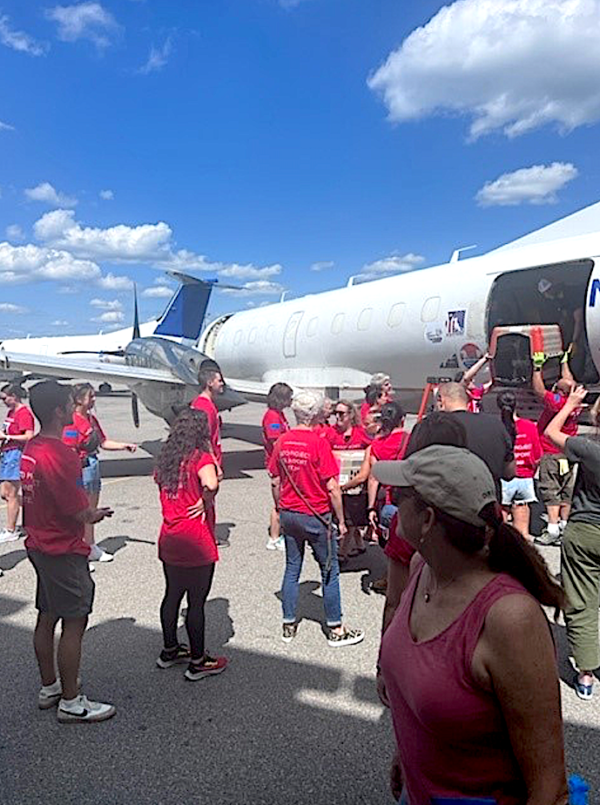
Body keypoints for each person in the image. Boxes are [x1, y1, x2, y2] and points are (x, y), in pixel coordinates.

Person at [375, 446, 567, 805]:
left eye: (401, 496)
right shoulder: (421, 569)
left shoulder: (510, 619)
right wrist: (410, 753)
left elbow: (550, 789)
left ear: (428, 519)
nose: (393, 504)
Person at [21, 381, 115, 723]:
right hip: (61, 548)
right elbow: (77, 512)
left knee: (47, 616)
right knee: (74, 621)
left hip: (38, 543)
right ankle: (72, 702)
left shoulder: (32, 448)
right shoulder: (60, 454)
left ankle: (50, 687)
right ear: (60, 411)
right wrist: (96, 514)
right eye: (68, 404)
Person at [268, 390, 364, 647]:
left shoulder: (283, 440)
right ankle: (336, 628)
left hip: (290, 513)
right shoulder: (319, 443)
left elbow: (275, 480)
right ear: (314, 415)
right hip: (315, 514)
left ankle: (288, 623)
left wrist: (279, 506)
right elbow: (332, 487)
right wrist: (342, 520)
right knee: (329, 571)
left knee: (291, 568)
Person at [380, 412, 468, 641]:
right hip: (465, 629)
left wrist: (384, 660)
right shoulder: (477, 505)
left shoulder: (410, 517)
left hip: (421, 631)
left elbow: (394, 600)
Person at [154, 408, 227, 681]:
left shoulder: (167, 460)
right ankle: (198, 661)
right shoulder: (200, 457)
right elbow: (212, 481)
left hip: (170, 534)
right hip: (194, 537)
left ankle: (170, 648)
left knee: (172, 593)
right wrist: (206, 499)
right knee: (196, 602)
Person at [545, 385, 600, 699]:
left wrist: (571, 403)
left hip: (586, 528)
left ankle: (586, 674)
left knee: (582, 603)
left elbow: (552, 432)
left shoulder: (590, 449)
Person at [62, 383, 136, 563]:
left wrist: (123, 446)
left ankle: (90, 545)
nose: (94, 399)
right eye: (91, 396)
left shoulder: (91, 419)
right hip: (81, 468)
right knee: (82, 509)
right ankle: (80, 551)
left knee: (91, 508)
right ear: (79, 400)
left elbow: (103, 442)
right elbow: (69, 448)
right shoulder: (72, 422)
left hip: (93, 465)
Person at [532, 352, 579, 545]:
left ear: (560, 393)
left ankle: (551, 529)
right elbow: (569, 382)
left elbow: (539, 391)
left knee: (551, 490)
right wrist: (565, 362)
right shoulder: (574, 403)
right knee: (566, 490)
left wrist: (537, 369)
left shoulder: (558, 403)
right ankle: (564, 525)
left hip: (551, 454)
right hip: (566, 453)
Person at [437, 382, 515, 497]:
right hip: (489, 501)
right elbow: (510, 472)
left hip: (451, 502)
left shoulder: (435, 426)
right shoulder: (496, 425)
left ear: (441, 401)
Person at [327, 400, 371, 560]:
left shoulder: (361, 433)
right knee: (343, 515)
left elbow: (372, 450)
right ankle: (359, 544)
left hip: (355, 485)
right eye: (335, 413)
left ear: (351, 415)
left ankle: (342, 553)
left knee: (351, 517)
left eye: (341, 413)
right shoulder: (330, 433)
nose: (337, 417)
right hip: (336, 483)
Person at [496, 390, 542, 542]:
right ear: (516, 405)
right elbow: (537, 456)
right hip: (525, 479)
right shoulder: (530, 426)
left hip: (503, 478)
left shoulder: (497, 426)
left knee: (501, 525)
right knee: (522, 532)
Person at [367, 401, 409, 530]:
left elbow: (373, 479)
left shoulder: (377, 445)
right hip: (408, 503)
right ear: (402, 419)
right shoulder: (412, 439)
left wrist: (371, 508)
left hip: (388, 502)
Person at [0, 383, 34, 544]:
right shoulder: (11, 412)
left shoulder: (24, 413)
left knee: (10, 493)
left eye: (5, 398)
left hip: (16, 454)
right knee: (5, 493)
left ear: (14, 396)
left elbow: (29, 436)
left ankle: (11, 529)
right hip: (7, 453)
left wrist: (8, 438)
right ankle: (35, 508)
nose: (3, 402)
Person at [263, 382, 293, 551]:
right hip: (277, 463)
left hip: (282, 462)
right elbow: (275, 441)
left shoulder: (279, 414)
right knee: (279, 502)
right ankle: (274, 538)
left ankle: (280, 533)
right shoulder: (272, 417)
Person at [190, 366, 225, 476]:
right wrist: (215, 465)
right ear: (210, 383)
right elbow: (203, 438)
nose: (222, 383)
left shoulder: (206, 404)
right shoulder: (204, 407)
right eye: (219, 381)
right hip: (206, 463)